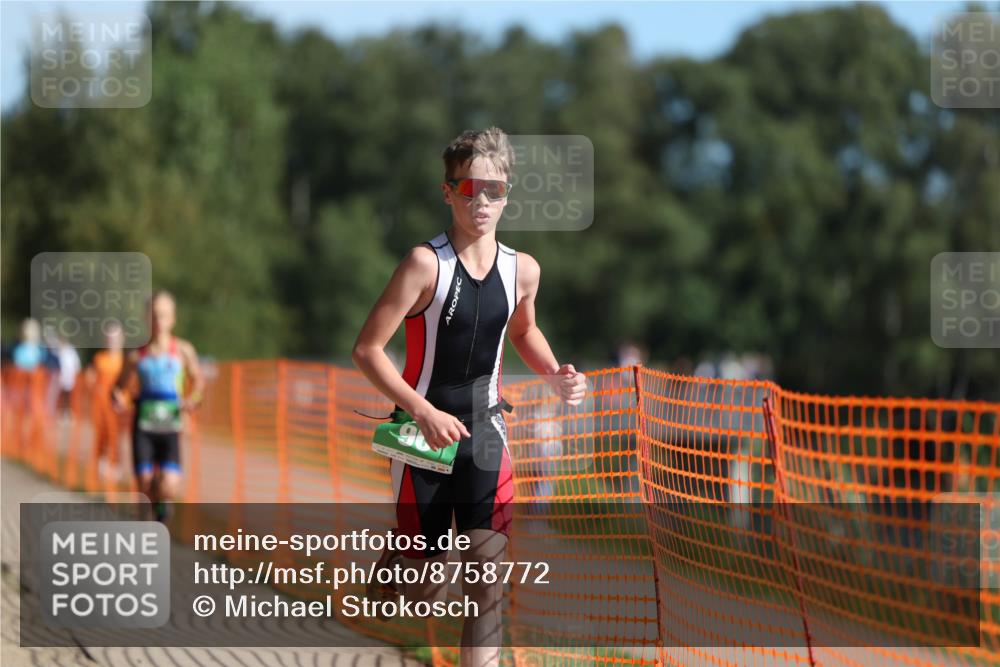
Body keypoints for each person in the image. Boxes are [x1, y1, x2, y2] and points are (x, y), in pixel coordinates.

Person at [352, 127, 587, 667]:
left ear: (508, 193)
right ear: (448, 191)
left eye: (494, 190)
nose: (481, 201)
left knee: (487, 578)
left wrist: (556, 373)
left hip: (486, 432)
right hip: (419, 433)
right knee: (424, 594)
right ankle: (400, 562)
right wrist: (423, 410)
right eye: (468, 189)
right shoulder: (423, 265)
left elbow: (524, 331)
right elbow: (367, 349)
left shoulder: (522, 270)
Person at [114, 290, 204, 522]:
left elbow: (199, 383)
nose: (159, 321)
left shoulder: (183, 350)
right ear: (147, 319)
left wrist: (191, 401)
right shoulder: (136, 354)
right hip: (143, 426)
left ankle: (162, 505)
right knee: (144, 483)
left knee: (168, 486)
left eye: (163, 315)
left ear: (173, 319)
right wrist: (118, 399)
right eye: (154, 315)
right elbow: (118, 388)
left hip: (170, 426)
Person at [88, 322, 125, 481]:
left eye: (115, 338)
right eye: (109, 338)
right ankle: (101, 463)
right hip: (100, 404)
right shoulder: (99, 358)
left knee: (116, 435)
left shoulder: (124, 361)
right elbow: (92, 377)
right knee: (101, 433)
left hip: (117, 405)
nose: (112, 341)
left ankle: (115, 464)